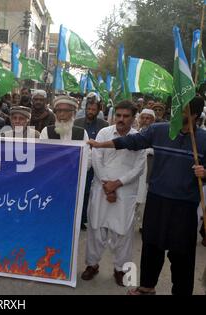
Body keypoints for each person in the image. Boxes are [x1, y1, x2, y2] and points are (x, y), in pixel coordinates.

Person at [88, 96, 206, 296]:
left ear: (194, 115)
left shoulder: (202, 140)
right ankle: (146, 287)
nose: (176, 113)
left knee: (182, 255)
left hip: (184, 206)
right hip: (157, 200)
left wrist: (205, 173)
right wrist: (101, 145)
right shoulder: (160, 130)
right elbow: (132, 141)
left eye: (182, 110)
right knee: (151, 247)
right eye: (175, 109)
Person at [81, 100, 146, 287]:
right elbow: (96, 158)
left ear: (134, 118)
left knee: (123, 233)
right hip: (101, 188)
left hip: (125, 192)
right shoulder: (104, 133)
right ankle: (92, 265)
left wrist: (117, 184)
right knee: (96, 228)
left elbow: (139, 167)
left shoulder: (139, 138)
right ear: (113, 115)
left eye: (126, 116)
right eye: (118, 115)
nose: (121, 119)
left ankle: (120, 269)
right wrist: (106, 185)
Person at [74, 98, 110, 230]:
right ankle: (80, 219)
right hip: (81, 162)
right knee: (81, 191)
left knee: (91, 192)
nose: (90, 112)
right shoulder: (77, 123)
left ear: (98, 111)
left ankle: (93, 218)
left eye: (93, 110)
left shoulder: (104, 125)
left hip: (97, 163)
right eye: (88, 109)